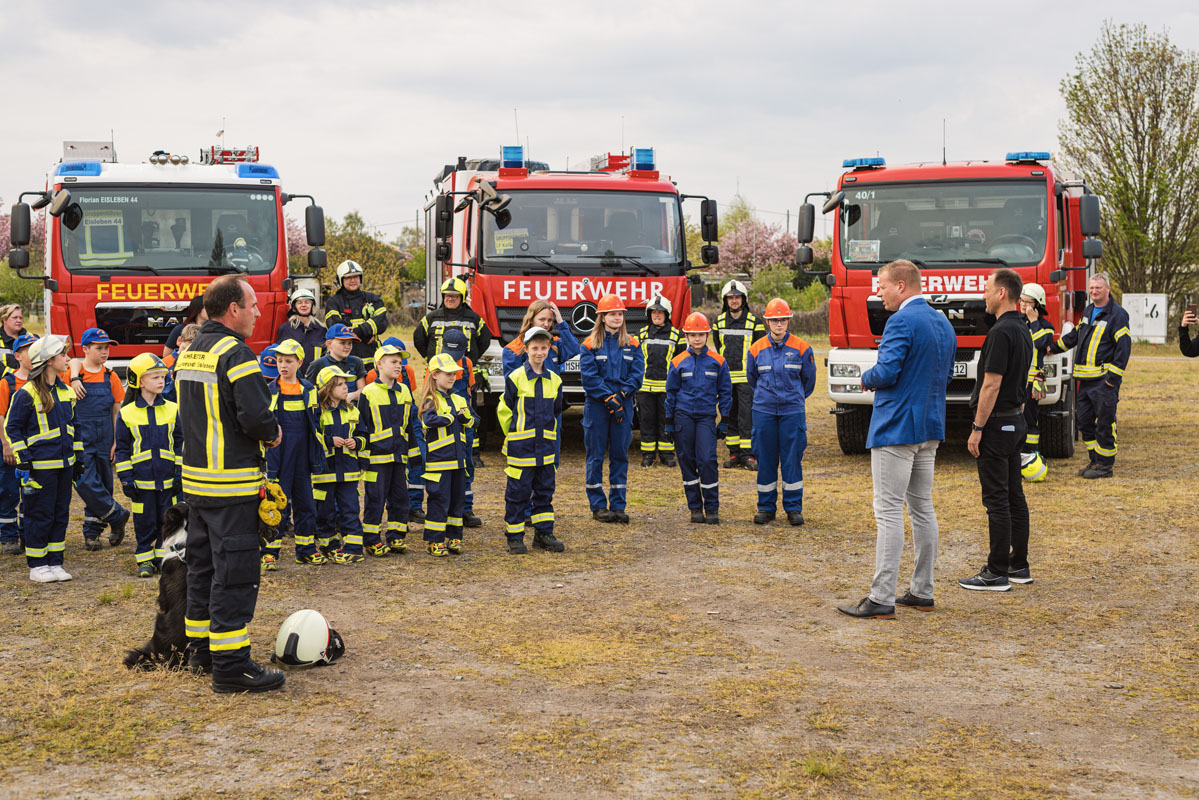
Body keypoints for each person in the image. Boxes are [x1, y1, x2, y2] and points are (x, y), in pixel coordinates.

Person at [175, 275, 285, 694]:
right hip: (232, 485)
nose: (258, 312)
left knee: (202, 569)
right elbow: (256, 417)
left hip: (198, 484)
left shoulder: (190, 351)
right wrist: (272, 432)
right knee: (234, 575)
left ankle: (201, 653)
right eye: (252, 305)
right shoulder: (236, 354)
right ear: (233, 309)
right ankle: (231, 666)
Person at [836, 260, 955, 619]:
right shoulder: (942, 322)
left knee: (888, 511)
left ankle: (881, 596)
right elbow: (947, 374)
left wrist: (866, 377)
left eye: (882, 286)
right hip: (929, 426)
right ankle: (922, 591)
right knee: (922, 508)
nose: (878, 293)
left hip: (897, 427)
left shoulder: (901, 321)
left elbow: (887, 372)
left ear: (901, 286)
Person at [959, 268, 1035, 593]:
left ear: (1002, 293)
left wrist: (978, 427)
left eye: (987, 289)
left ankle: (996, 571)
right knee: (1015, 495)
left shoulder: (1000, 332)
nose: (984, 295)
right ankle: (1019, 565)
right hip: (1015, 421)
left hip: (997, 424)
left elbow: (991, 384)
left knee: (997, 500)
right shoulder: (1023, 329)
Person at [5, 335, 81, 583]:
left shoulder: (66, 391)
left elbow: (75, 426)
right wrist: (24, 459)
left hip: (64, 466)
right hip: (39, 468)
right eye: (62, 355)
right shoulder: (26, 394)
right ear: (48, 361)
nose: (67, 359)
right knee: (39, 515)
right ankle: (37, 565)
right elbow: (12, 428)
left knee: (60, 514)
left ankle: (55, 562)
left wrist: (78, 459)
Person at [1050, 273, 1130, 479]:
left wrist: (1112, 379)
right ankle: (1095, 460)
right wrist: (1053, 348)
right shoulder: (1088, 310)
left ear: (1108, 289)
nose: (1094, 291)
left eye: (1098, 288)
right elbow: (1075, 336)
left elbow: (1123, 349)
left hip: (1104, 382)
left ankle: (1105, 466)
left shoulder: (1117, 315)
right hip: (1084, 381)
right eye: (1092, 288)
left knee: (1105, 423)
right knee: (1084, 422)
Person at [746, 299, 815, 526]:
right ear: (767, 322)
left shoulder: (802, 348)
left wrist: (793, 398)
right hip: (764, 411)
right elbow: (752, 379)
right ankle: (766, 508)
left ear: (788, 321)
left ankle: (793, 508)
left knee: (791, 459)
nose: (779, 324)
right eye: (775, 320)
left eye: (783, 320)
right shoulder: (755, 349)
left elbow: (809, 381)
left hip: (792, 412)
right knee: (765, 459)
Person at [497, 326, 565, 554]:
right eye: (535, 348)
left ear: (549, 349)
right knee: (517, 495)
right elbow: (505, 411)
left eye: (544, 348)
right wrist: (514, 436)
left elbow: (556, 411)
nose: (539, 352)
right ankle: (515, 537)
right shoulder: (515, 378)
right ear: (525, 349)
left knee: (544, 493)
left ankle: (543, 534)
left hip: (545, 450)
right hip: (521, 451)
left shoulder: (555, 380)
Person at [115, 353, 182, 578]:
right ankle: (144, 559)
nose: (161, 381)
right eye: (155, 377)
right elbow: (122, 449)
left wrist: (179, 472)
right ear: (139, 382)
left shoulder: (173, 409)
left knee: (168, 520)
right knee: (144, 521)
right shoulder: (126, 413)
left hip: (168, 480)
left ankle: (163, 558)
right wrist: (126, 479)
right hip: (141, 482)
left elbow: (180, 443)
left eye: (162, 376)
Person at [579, 294, 644, 524]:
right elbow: (589, 378)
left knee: (620, 455)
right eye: (612, 314)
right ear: (602, 317)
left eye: (620, 314)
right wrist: (609, 398)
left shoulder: (633, 344)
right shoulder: (589, 345)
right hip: (597, 406)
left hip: (623, 405)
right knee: (595, 456)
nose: (617, 318)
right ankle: (598, 506)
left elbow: (637, 375)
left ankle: (618, 505)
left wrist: (622, 396)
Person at [665, 312, 732, 525]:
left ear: (707, 335)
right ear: (686, 336)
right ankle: (695, 507)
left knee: (707, 460)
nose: (696, 339)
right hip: (682, 416)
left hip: (705, 417)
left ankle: (712, 507)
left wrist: (725, 419)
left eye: (700, 334)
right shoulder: (677, 362)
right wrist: (668, 421)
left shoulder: (718, 361)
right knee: (687, 460)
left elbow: (726, 392)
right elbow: (671, 393)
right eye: (692, 335)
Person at [264, 339, 326, 568]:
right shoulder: (270, 390)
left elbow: (315, 422)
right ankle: (269, 552)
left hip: (302, 455)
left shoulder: (309, 390)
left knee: (305, 504)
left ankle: (306, 550)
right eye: (280, 360)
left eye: (288, 361)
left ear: (300, 363)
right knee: (276, 504)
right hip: (279, 455)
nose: (283, 365)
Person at [67, 328, 130, 551]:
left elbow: (116, 411)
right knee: (84, 480)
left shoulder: (111, 376)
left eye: (106, 348)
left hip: (104, 436)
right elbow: (71, 361)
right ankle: (117, 514)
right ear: (85, 349)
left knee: (104, 484)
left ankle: (92, 533)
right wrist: (74, 377)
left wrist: (116, 442)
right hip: (81, 438)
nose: (104, 352)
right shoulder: (73, 375)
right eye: (99, 348)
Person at [356, 342, 420, 556]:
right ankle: (372, 540)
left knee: (400, 499)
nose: (398, 366)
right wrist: (363, 460)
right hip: (376, 460)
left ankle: (395, 537)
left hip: (398, 458)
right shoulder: (368, 392)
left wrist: (414, 454)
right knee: (375, 500)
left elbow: (409, 426)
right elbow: (362, 427)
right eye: (393, 362)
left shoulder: (404, 392)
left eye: (400, 362)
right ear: (379, 365)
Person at [417, 353, 475, 557]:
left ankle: (454, 537)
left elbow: (473, 420)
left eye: (454, 374)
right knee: (439, 502)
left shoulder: (459, 398)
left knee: (457, 502)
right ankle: (435, 540)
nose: (452, 377)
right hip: (439, 463)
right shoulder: (431, 399)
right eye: (448, 374)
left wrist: (467, 418)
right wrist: (450, 417)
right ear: (434, 375)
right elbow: (428, 420)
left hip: (458, 462)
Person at [314, 366, 367, 565]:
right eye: (340, 384)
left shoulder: (353, 410)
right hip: (324, 473)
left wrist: (357, 442)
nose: (346, 388)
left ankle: (353, 549)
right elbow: (313, 437)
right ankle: (330, 547)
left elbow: (364, 435)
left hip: (348, 472)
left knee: (350, 510)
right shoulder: (317, 412)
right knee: (325, 512)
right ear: (328, 388)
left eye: (346, 384)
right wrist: (329, 441)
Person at [712, 281, 765, 469]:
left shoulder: (755, 323)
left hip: (746, 380)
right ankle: (734, 453)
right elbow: (719, 347)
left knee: (747, 417)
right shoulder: (718, 322)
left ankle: (748, 455)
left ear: (743, 299)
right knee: (729, 414)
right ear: (725, 300)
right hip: (726, 380)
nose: (734, 301)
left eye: (737, 297)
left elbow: (760, 350)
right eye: (730, 298)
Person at [439, 328, 482, 527]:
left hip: (464, 422)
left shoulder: (467, 364)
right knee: (447, 469)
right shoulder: (436, 363)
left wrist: (470, 417)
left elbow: (468, 392)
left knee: (467, 465)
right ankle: (447, 508)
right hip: (445, 425)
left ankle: (466, 509)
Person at [636, 295, 685, 468]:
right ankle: (648, 455)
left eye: (660, 312)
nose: (657, 315)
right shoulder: (641, 334)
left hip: (667, 389)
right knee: (646, 421)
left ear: (667, 314)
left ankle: (666, 454)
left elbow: (681, 363)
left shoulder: (677, 335)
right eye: (654, 312)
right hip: (645, 389)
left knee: (667, 420)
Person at [0, 333, 37, 555]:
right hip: (11, 449)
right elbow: (1, 415)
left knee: (31, 493)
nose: (34, 354)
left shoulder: (39, 381)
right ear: (18, 356)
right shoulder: (7, 383)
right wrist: (5, 444)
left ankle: (27, 534)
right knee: (8, 492)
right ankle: (8, 537)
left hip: (33, 449)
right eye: (29, 351)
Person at [325, 260, 389, 369]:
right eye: (348, 277)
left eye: (356, 277)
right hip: (344, 361)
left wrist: (360, 331)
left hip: (372, 359)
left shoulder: (373, 299)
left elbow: (381, 322)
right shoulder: (333, 302)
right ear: (341, 280)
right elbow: (334, 325)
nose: (353, 280)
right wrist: (366, 333)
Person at [1019, 283, 1054, 482]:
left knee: (1030, 418)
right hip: (1017, 380)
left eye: (1028, 302)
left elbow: (1041, 343)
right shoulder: (1017, 321)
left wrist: (1033, 322)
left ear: (1037, 305)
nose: (1023, 305)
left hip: (1033, 382)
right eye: (1021, 301)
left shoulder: (1045, 326)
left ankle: (1030, 453)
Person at [305, 324, 369, 405]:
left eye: (350, 343)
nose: (347, 347)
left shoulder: (357, 362)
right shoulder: (317, 364)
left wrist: (350, 396)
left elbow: (362, 390)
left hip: (352, 410)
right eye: (342, 343)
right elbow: (310, 394)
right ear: (329, 344)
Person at [275, 287, 326, 375]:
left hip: (314, 378)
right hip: (292, 378)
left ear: (312, 305)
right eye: (299, 302)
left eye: (307, 302)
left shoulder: (321, 330)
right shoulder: (285, 329)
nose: (303, 305)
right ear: (294, 307)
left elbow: (324, 357)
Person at [0, 303, 29, 370]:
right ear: (5, 320)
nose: (19, 320)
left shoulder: (31, 338)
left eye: (21, 318)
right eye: (15, 317)